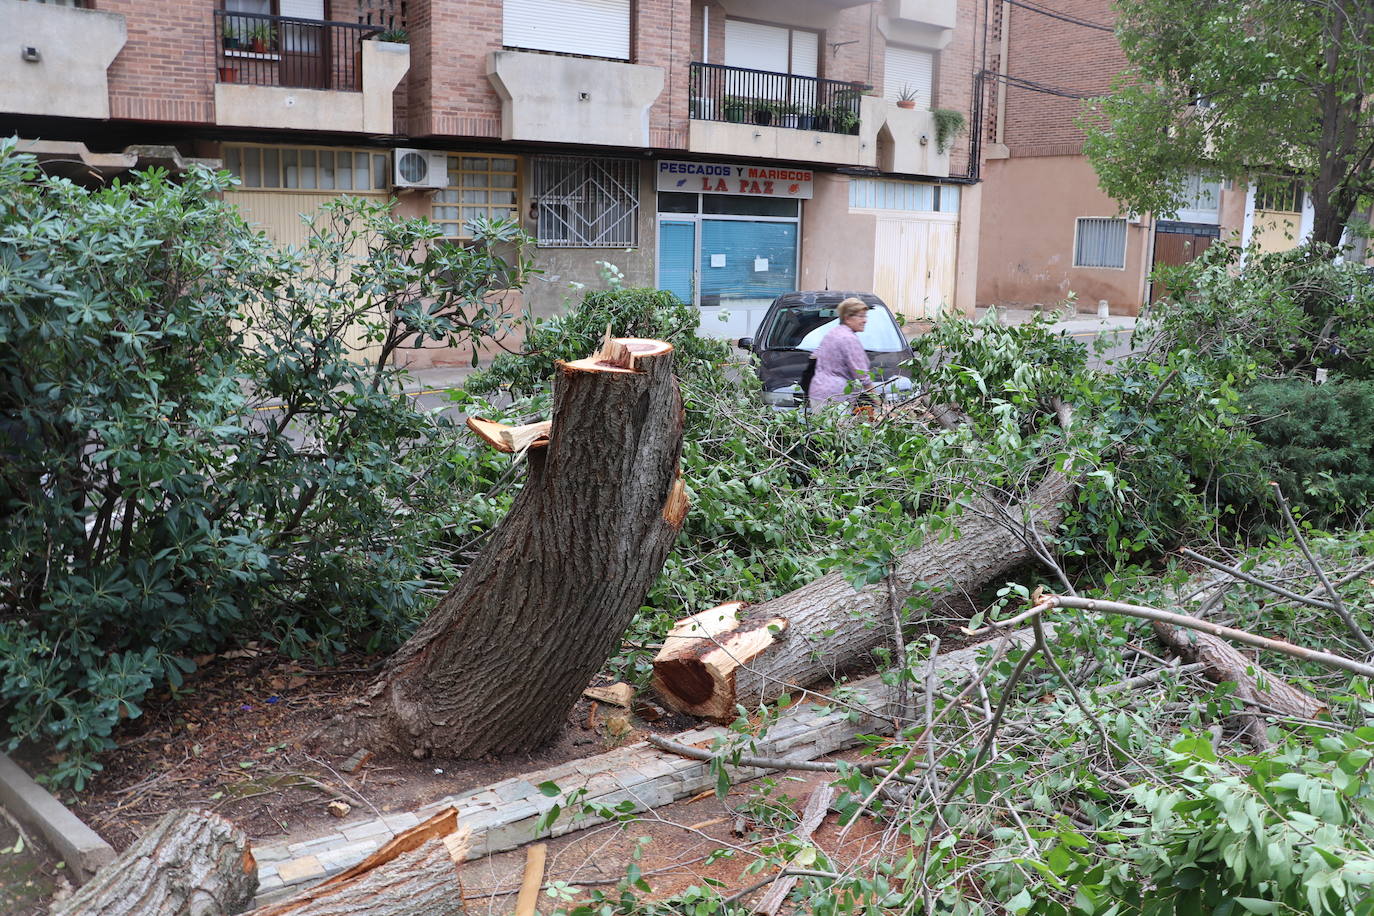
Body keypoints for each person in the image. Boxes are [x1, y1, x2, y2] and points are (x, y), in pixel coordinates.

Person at [807, 297, 873, 408]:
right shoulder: (849, 339)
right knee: (839, 426)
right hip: (836, 400)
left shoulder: (832, 333)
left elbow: (814, 355)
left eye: (865, 316)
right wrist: (881, 404)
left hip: (817, 393)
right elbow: (862, 375)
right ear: (847, 318)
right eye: (861, 316)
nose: (865, 320)